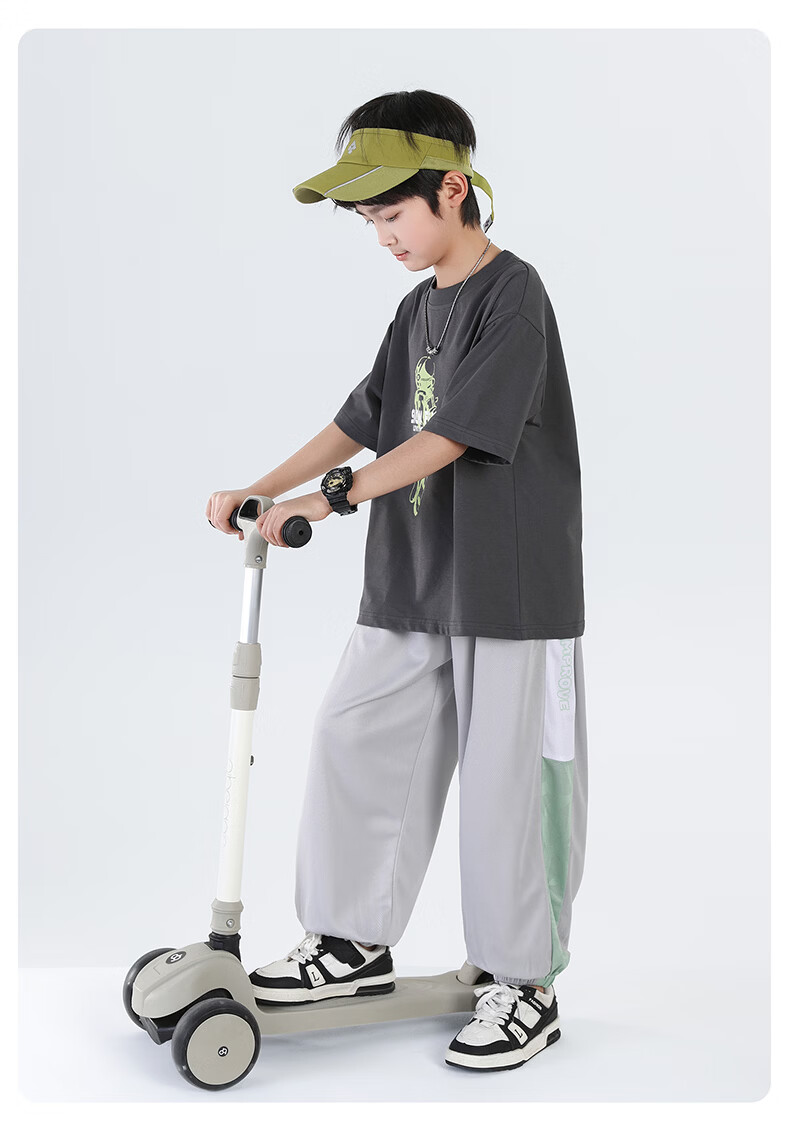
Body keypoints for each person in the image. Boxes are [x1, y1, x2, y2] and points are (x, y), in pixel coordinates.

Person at [206, 89, 588, 1074]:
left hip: (510, 589)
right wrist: (263, 487)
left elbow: (452, 434)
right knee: (355, 737)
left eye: (392, 213)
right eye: (369, 221)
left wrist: (330, 501)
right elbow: (363, 418)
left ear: (453, 189)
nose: (382, 236)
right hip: (414, 575)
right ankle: (349, 941)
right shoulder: (417, 308)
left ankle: (525, 983)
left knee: (511, 786)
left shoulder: (513, 296)